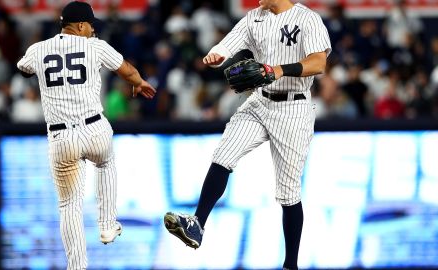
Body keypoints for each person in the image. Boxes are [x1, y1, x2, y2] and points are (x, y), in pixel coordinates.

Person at [163, 0, 331, 269]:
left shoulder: (307, 19)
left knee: (288, 192)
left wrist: (279, 70)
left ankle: (291, 264)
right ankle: (197, 225)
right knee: (223, 154)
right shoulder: (255, 17)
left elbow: (318, 62)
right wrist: (217, 53)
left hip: (294, 107)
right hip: (259, 101)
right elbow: (230, 42)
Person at [16, 2, 156, 269]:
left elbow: (23, 68)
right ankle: (107, 225)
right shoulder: (95, 46)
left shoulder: (38, 49)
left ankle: (77, 266)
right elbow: (125, 69)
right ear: (80, 25)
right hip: (94, 128)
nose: (93, 30)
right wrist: (139, 82)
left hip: (61, 137)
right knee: (105, 162)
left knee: (69, 204)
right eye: (91, 25)